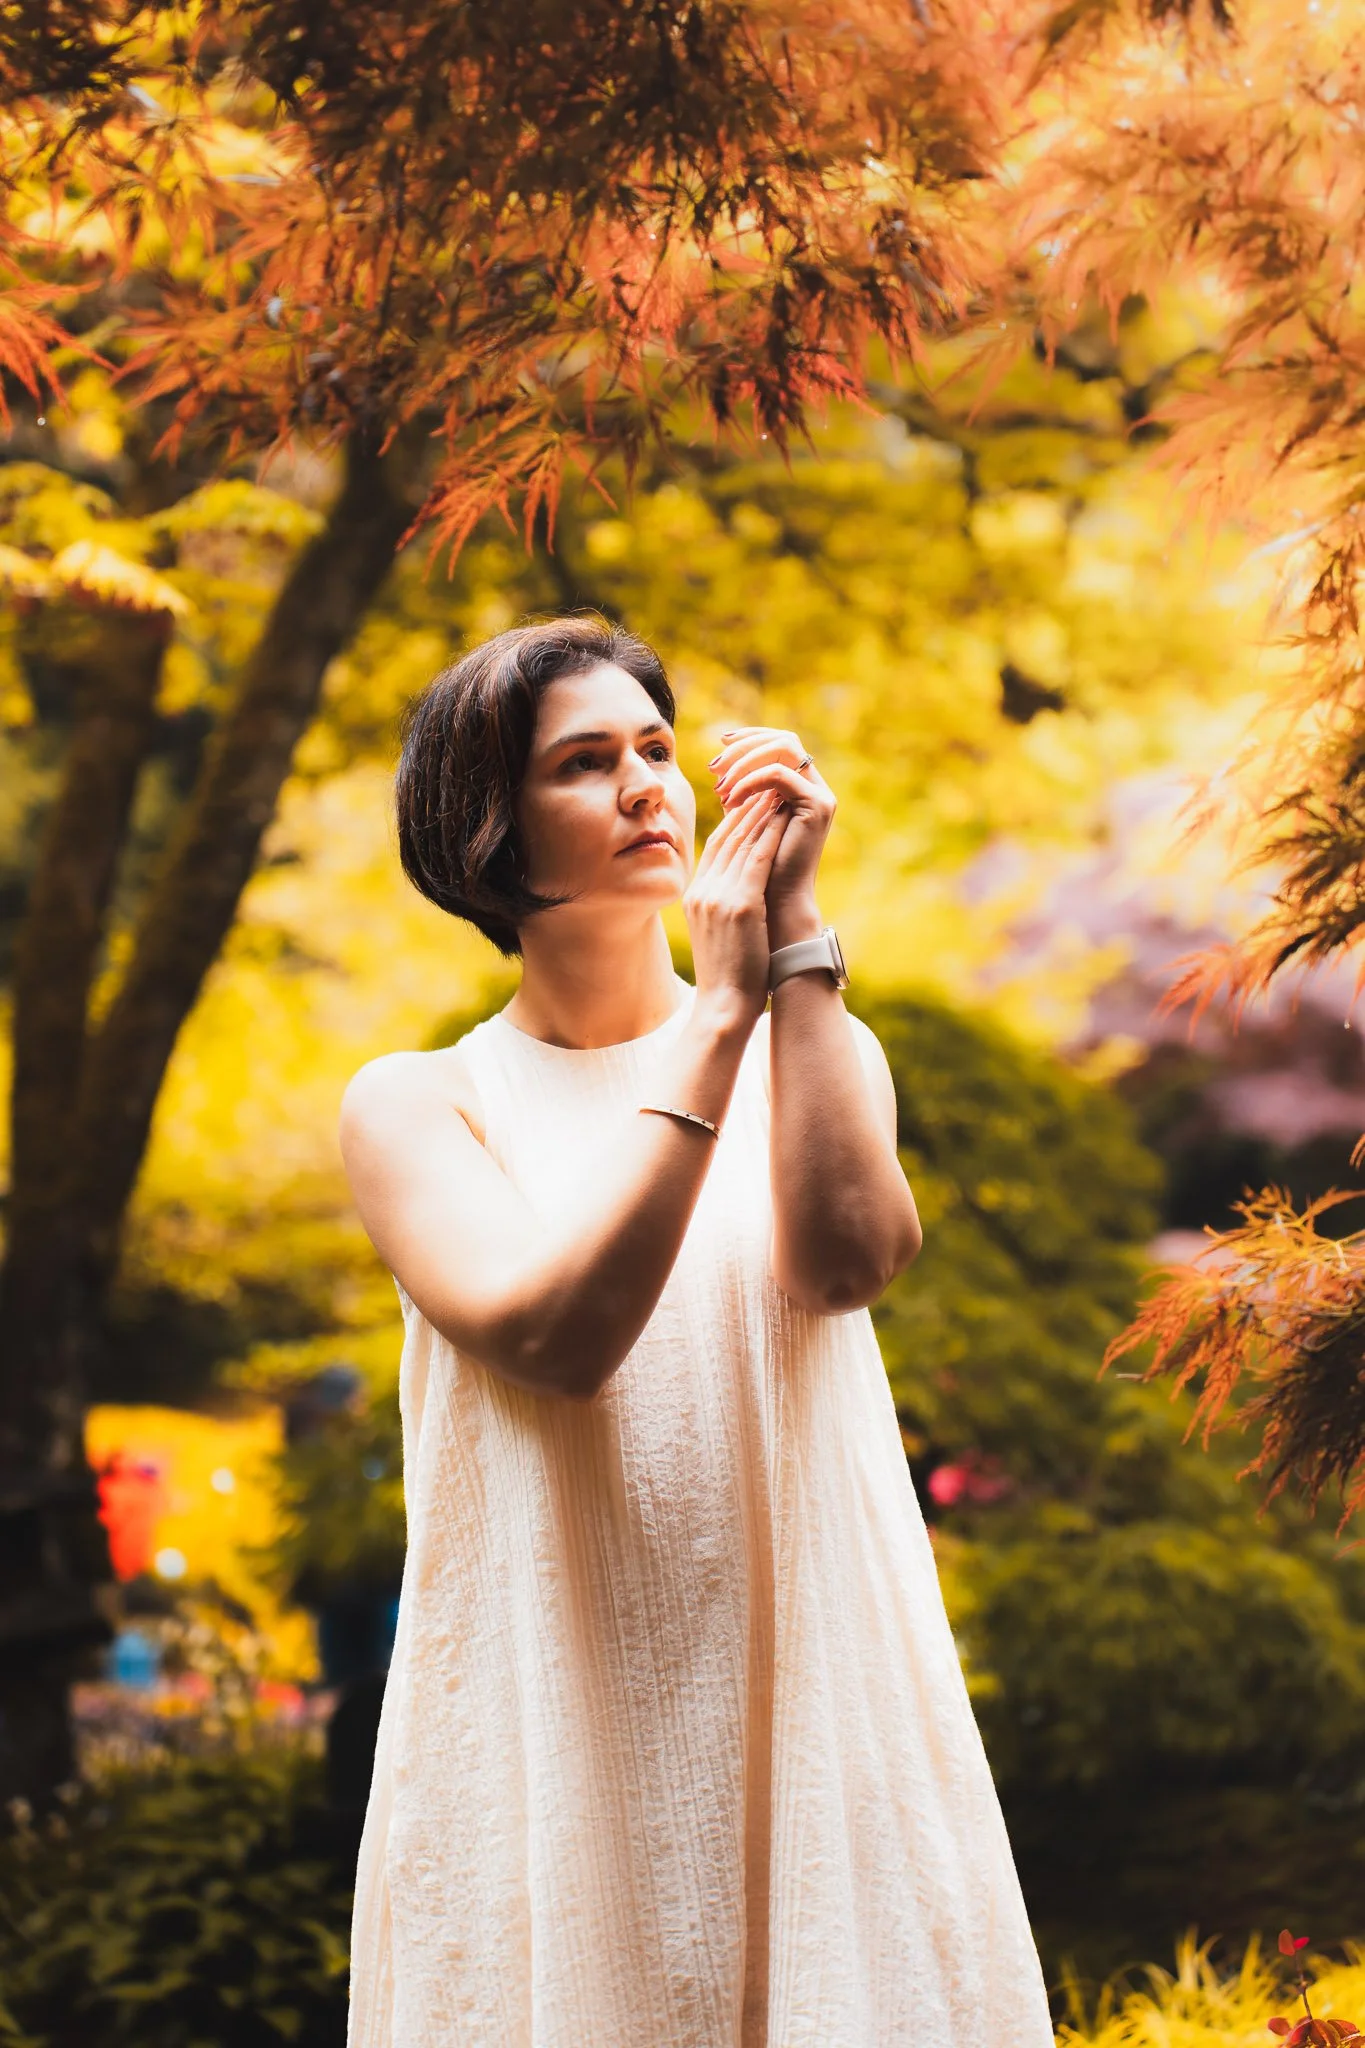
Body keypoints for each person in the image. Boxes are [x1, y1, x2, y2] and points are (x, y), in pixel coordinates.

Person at [339, 617, 1054, 2047]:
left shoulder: (815, 1040)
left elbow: (854, 1262)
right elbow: (555, 1335)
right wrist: (717, 1015)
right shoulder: (421, 1104)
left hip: (818, 1703)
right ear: (487, 831)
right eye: (586, 764)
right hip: (560, 1723)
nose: (649, 787)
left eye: (659, 750)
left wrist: (793, 956)